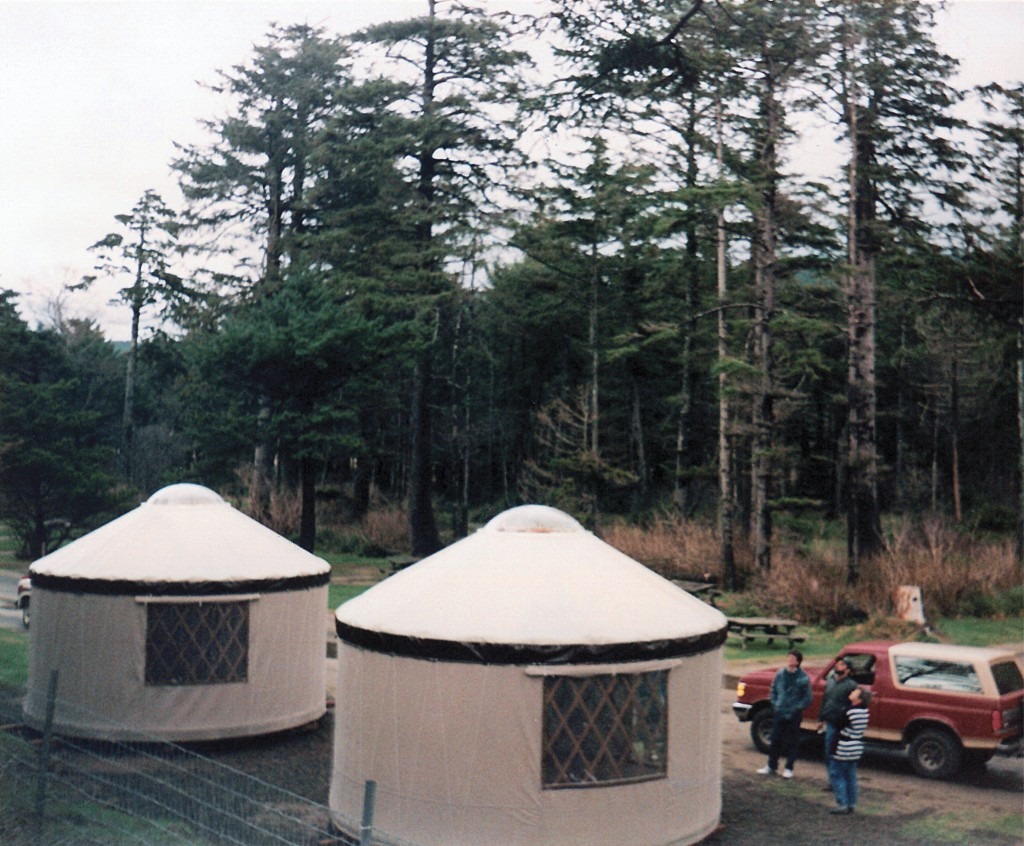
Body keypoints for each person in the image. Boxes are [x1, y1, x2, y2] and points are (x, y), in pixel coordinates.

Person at [757, 649, 812, 778]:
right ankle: (771, 765)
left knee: (793, 741)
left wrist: (797, 708)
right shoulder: (780, 674)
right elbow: (773, 689)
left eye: (792, 658)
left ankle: (789, 768)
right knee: (775, 739)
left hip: (794, 713)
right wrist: (775, 703)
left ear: (798, 661)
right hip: (780, 711)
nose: (789, 660)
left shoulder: (803, 678)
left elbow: (807, 697)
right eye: (789, 657)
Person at [829, 686, 872, 814]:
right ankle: (851, 803)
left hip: (843, 746)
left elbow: (837, 724)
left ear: (858, 699)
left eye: (855, 692)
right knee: (850, 776)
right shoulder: (864, 712)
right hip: (856, 746)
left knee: (838, 775)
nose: (852, 692)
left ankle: (842, 803)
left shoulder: (848, 711)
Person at [817, 658, 858, 793]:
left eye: (842, 664)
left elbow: (854, 706)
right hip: (829, 723)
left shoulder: (851, 685)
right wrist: (820, 719)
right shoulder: (831, 682)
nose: (837, 666)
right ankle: (833, 782)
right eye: (837, 664)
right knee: (829, 753)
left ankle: (841, 783)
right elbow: (825, 701)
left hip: (842, 725)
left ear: (848, 670)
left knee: (839, 755)